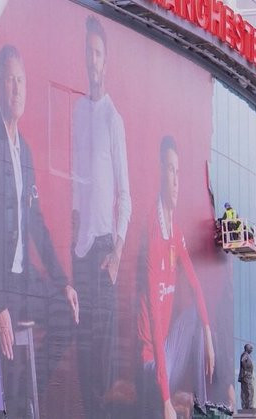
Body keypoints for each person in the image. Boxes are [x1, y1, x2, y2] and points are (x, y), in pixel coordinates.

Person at [0, 44, 79, 418]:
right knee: (3, 358)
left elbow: (35, 223)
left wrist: (63, 281)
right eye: (9, 80)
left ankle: (21, 398)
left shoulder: (25, 150)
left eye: (21, 81)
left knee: (66, 312)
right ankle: (11, 401)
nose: (16, 89)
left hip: (23, 281)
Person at [71, 15, 132, 418]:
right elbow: (75, 184)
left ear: (105, 62)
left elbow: (126, 196)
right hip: (81, 249)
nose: (92, 61)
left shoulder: (114, 119)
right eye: (88, 53)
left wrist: (118, 255)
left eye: (98, 53)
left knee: (104, 353)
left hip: (106, 250)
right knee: (83, 349)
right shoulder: (77, 111)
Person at [138, 136, 215, 419]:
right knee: (171, 330)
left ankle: (201, 409)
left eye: (178, 172)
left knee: (196, 317)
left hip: (167, 356)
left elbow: (195, 284)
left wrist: (207, 333)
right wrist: (166, 399)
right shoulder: (152, 233)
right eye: (170, 170)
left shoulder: (177, 233)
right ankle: (181, 405)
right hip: (151, 363)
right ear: (160, 172)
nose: (175, 180)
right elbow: (157, 325)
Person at [238, 344, 254, 410]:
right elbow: (242, 361)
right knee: (248, 391)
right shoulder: (245, 354)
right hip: (246, 376)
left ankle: (248, 405)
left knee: (250, 390)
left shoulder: (248, 355)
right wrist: (246, 370)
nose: (252, 349)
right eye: (251, 348)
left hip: (248, 376)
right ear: (247, 348)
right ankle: (248, 406)